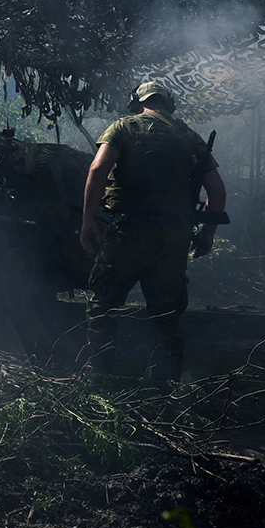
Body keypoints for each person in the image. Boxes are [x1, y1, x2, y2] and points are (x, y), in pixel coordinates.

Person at [79, 81, 227, 381]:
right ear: (168, 104)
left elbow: (97, 169)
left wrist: (88, 220)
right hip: (173, 239)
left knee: (103, 305)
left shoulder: (123, 127)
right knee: (166, 317)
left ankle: (100, 380)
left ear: (137, 102)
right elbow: (218, 192)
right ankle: (164, 388)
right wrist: (207, 234)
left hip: (128, 232)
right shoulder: (189, 137)